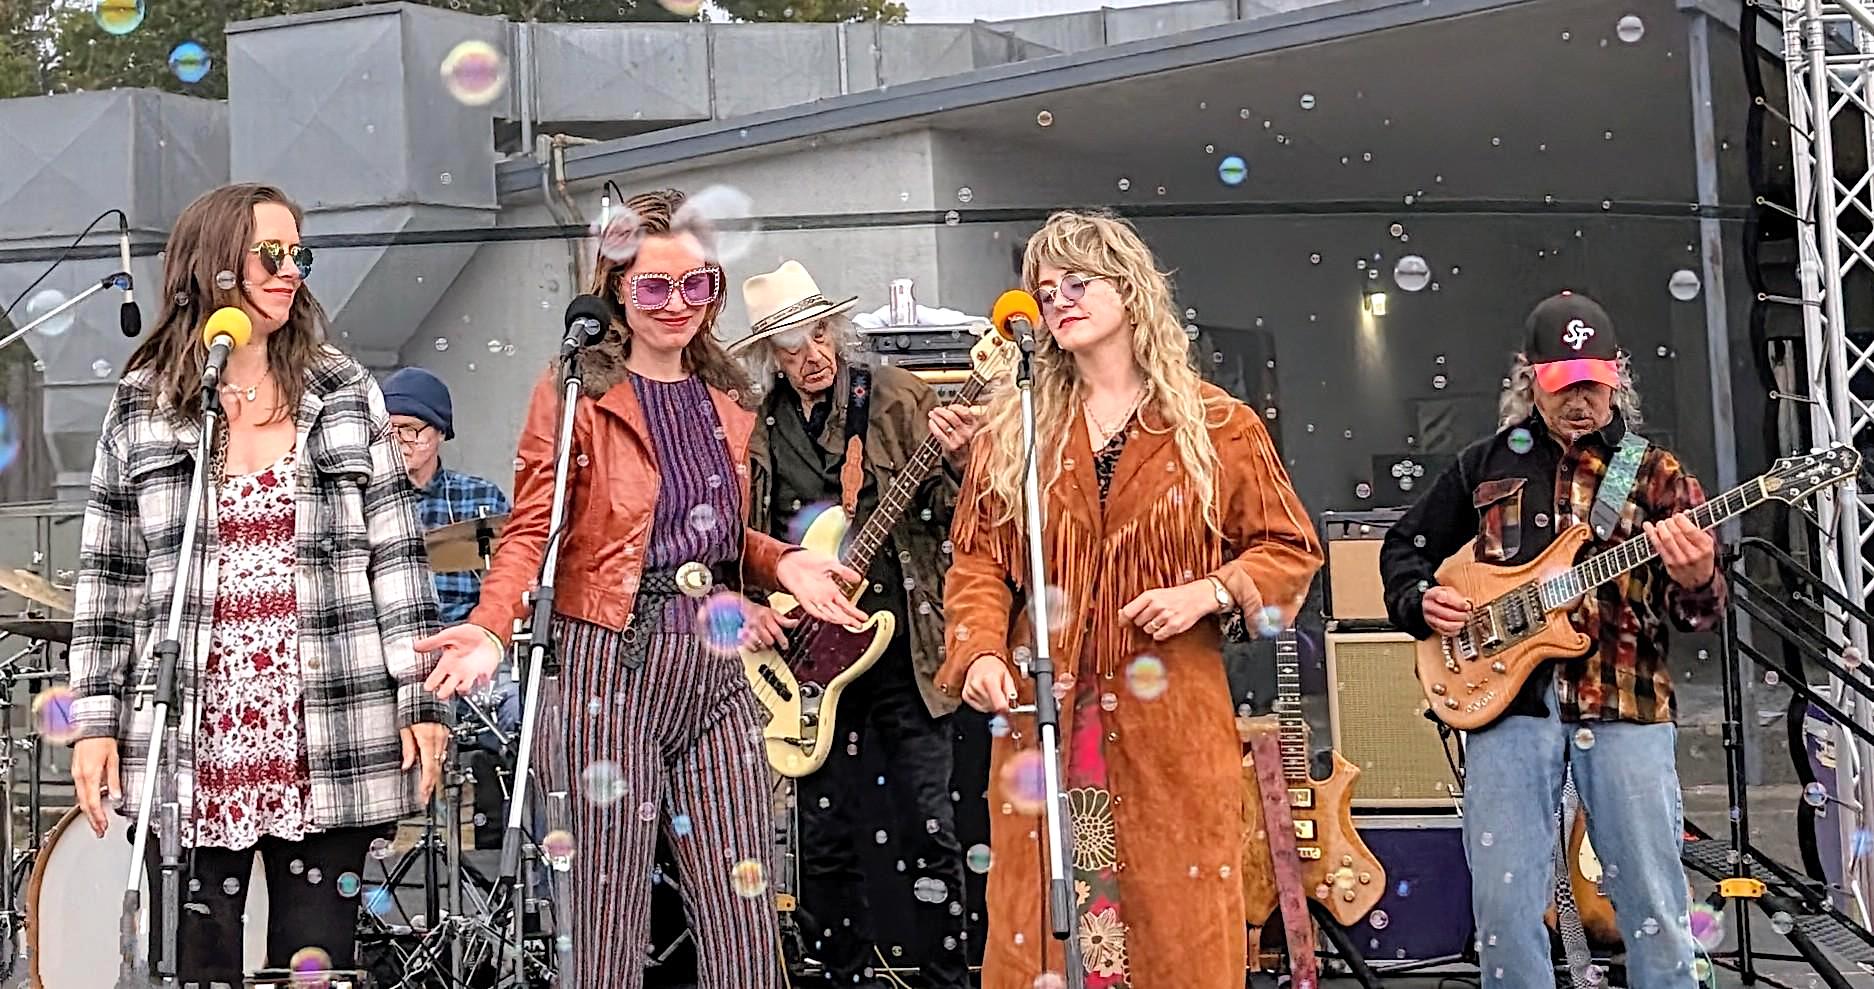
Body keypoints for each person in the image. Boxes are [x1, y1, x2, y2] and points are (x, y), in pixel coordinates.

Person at [416, 188, 868, 989]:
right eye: (655, 286)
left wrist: (781, 562)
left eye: (696, 285)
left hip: (712, 663)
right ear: (619, 290)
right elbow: (533, 528)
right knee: (606, 927)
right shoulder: (576, 391)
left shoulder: (726, 396)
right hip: (607, 661)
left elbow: (707, 532)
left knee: (746, 920)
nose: (677, 303)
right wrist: (489, 625)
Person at [66, 182, 448, 985]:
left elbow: (396, 556)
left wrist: (422, 698)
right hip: (192, 742)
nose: (291, 270)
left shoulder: (344, 390)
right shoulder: (143, 404)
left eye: (299, 254)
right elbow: (109, 577)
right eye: (270, 254)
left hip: (328, 729)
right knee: (196, 966)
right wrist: (95, 721)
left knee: (315, 968)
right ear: (210, 264)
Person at [939, 210, 1322, 989]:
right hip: (1047, 716)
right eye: (1046, 289)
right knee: (1052, 930)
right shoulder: (1018, 429)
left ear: (1131, 289)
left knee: (1175, 926)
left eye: (1078, 281)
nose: (1059, 300)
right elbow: (977, 559)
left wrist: (1208, 591)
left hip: (1169, 719)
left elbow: (1288, 548)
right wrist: (978, 649)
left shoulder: (1218, 424)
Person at [1378, 291, 1724, 988]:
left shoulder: (1654, 473)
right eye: (1563, 383)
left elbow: (1699, 614)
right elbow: (1405, 548)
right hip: (1506, 707)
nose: (1580, 400)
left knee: (1653, 903)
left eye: (1593, 383)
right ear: (1529, 375)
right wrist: (1420, 602)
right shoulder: (1484, 466)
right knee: (1504, 908)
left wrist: (1697, 576)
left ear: (1617, 375)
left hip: (1625, 704)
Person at [734, 260, 976, 989]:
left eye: (819, 335)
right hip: (809, 657)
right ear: (769, 354)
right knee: (824, 834)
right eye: (791, 344)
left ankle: (945, 978)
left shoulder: (896, 397)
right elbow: (745, 536)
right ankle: (840, 973)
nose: (811, 354)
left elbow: (961, 517)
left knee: (928, 825)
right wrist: (752, 606)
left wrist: (960, 461)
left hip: (902, 648)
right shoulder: (756, 426)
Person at [383, 366, 516, 847]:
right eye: (388, 430)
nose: (400, 441)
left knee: (530, 720)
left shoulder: (477, 497)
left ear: (440, 432)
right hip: (395, 664)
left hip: (469, 659)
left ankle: (531, 866)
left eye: (411, 429)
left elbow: (509, 584)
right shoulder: (361, 501)